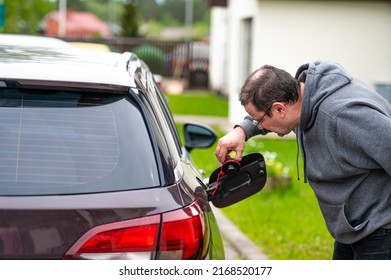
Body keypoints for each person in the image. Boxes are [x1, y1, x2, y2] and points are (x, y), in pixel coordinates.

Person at [215, 60, 391, 260]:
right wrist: (242, 131)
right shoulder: (300, 99)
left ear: (280, 109)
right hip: (352, 229)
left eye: (260, 120)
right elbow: (264, 113)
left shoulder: (346, 116)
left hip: (380, 231)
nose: (260, 126)